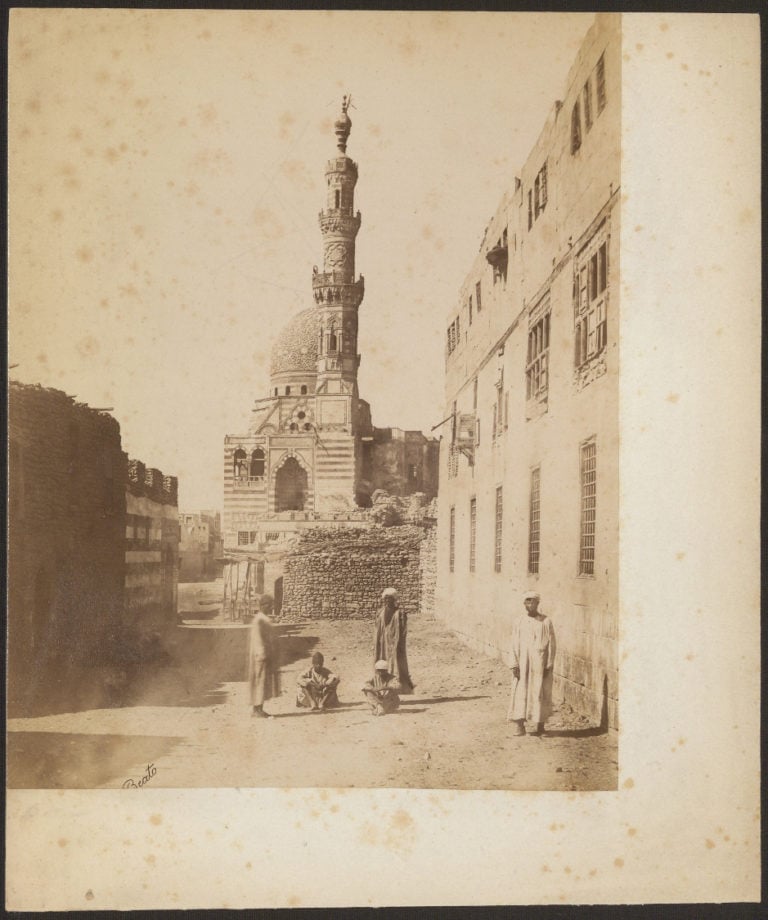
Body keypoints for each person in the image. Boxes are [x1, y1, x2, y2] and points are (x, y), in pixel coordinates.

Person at [507, 591, 557, 736]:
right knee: (520, 691)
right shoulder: (519, 621)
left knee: (540, 691)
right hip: (522, 663)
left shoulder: (546, 622)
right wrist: (514, 664)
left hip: (540, 664)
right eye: (527, 601)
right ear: (524, 603)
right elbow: (513, 643)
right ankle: (519, 725)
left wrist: (549, 665)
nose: (529, 604)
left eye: (532, 601)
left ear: (537, 603)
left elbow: (552, 644)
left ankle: (540, 725)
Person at [373, 587, 414, 693]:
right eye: (386, 598)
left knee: (396, 662)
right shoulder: (380, 612)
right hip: (383, 642)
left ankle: (398, 685)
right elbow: (377, 627)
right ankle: (382, 683)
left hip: (395, 643)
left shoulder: (399, 613)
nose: (387, 600)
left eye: (390, 598)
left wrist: (398, 642)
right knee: (382, 660)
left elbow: (403, 630)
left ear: (394, 599)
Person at [248, 594, 280, 718]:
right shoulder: (260, 620)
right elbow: (258, 638)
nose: (271, 607)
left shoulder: (263, 618)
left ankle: (258, 708)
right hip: (260, 656)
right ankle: (257, 710)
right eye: (269, 605)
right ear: (263, 605)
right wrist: (262, 654)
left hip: (264, 654)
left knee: (262, 682)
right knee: (260, 682)